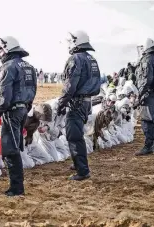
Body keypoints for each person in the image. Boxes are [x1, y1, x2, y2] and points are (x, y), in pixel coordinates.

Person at [0, 36, 37, 196]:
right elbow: (32, 91)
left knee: (10, 150)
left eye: (0, 50)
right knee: (14, 147)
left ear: (7, 48)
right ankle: (17, 186)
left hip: (12, 111)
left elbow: (3, 98)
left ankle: (16, 188)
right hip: (23, 110)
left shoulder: (8, 67)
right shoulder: (29, 67)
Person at [57, 30, 101, 180]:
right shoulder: (92, 59)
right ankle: (78, 163)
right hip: (87, 102)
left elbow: (70, 85)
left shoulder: (75, 59)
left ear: (76, 41)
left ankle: (82, 171)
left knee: (74, 136)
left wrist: (61, 103)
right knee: (77, 133)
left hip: (76, 103)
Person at [134, 38, 154, 155]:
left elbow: (146, 79)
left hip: (148, 94)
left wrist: (139, 94)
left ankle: (148, 146)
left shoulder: (147, 60)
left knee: (147, 120)